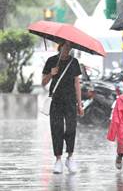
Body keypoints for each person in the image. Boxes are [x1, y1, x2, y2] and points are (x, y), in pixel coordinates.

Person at [42, 41, 84, 174]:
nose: (67, 48)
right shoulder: (51, 61)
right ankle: (58, 159)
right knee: (57, 128)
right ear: (60, 46)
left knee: (71, 127)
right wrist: (51, 74)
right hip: (56, 100)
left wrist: (79, 103)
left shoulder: (74, 62)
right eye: (65, 46)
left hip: (70, 100)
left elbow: (77, 83)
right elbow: (43, 82)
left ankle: (70, 157)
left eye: (70, 46)